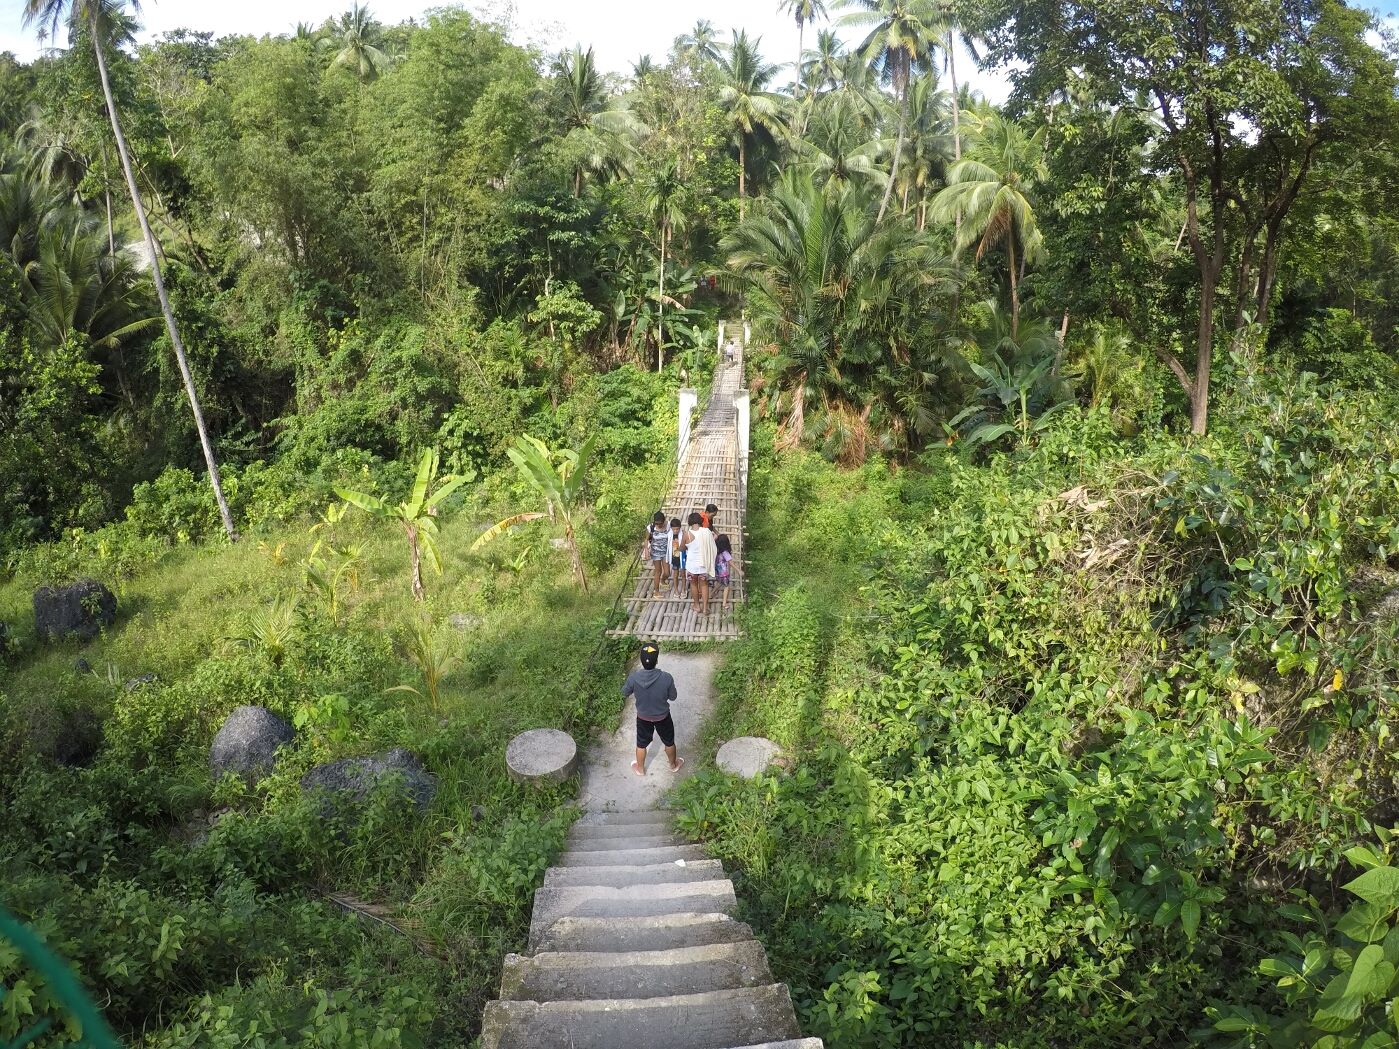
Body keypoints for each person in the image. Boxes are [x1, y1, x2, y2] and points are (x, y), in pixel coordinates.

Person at [622, 642, 683, 776]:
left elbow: (624, 692)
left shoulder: (634, 678)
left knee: (641, 744)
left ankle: (640, 768)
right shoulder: (666, 677)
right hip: (663, 717)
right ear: (657, 660)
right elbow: (673, 697)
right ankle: (673, 765)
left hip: (643, 717)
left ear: (641, 661)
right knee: (669, 741)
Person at [682, 511, 717, 616]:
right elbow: (712, 545)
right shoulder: (706, 532)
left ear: (690, 522)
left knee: (693, 584)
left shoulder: (687, 534)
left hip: (692, 566)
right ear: (701, 521)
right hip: (703, 564)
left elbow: (682, 548)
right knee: (704, 585)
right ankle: (705, 608)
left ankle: (697, 606)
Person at [645, 511, 670, 594]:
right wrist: (646, 550)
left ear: (664, 521)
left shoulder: (668, 525)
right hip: (655, 553)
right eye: (657, 523)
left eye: (660, 523)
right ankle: (656, 591)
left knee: (667, 572)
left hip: (666, 552)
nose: (659, 525)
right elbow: (646, 539)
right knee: (658, 571)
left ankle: (662, 580)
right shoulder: (651, 527)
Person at [714, 534, 735, 608]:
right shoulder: (725, 552)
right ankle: (724, 603)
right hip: (724, 573)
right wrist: (739, 570)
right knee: (726, 586)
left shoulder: (716, 550)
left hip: (717, 570)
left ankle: (711, 594)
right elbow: (731, 562)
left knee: (720, 582)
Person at [668, 517, 686, 597]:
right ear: (671, 528)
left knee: (683, 574)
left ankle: (683, 589)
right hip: (674, 558)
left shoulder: (683, 534)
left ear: (680, 527)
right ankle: (676, 590)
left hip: (682, 557)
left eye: (677, 529)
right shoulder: (669, 535)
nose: (675, 531)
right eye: (674, 529)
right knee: (675, 574)